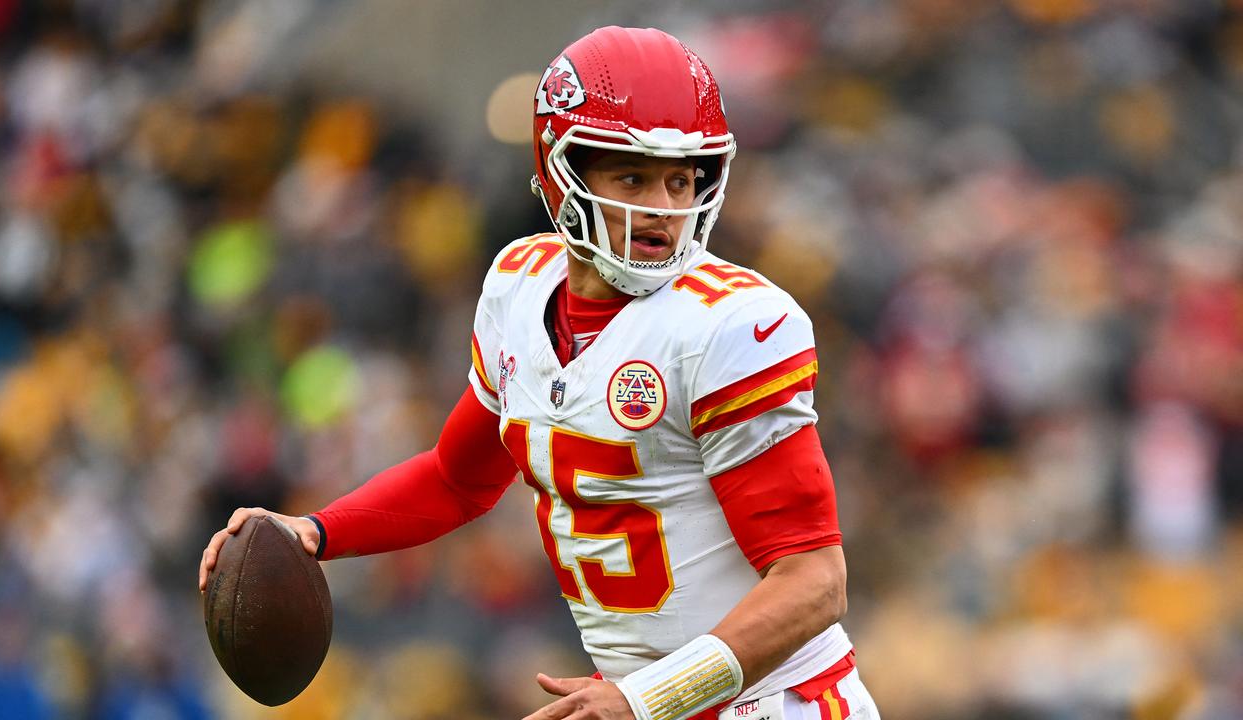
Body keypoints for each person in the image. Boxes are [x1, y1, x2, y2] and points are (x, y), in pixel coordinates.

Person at [199, 26, 879, 720]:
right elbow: (456, 479)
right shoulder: (518, 288)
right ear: (564, 174)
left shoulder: (730, 326)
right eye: (634, 177)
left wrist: (648, 697)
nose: (666, 208)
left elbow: (814, 582)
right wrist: (316, 531)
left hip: (774, 704)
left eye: (681, 179)